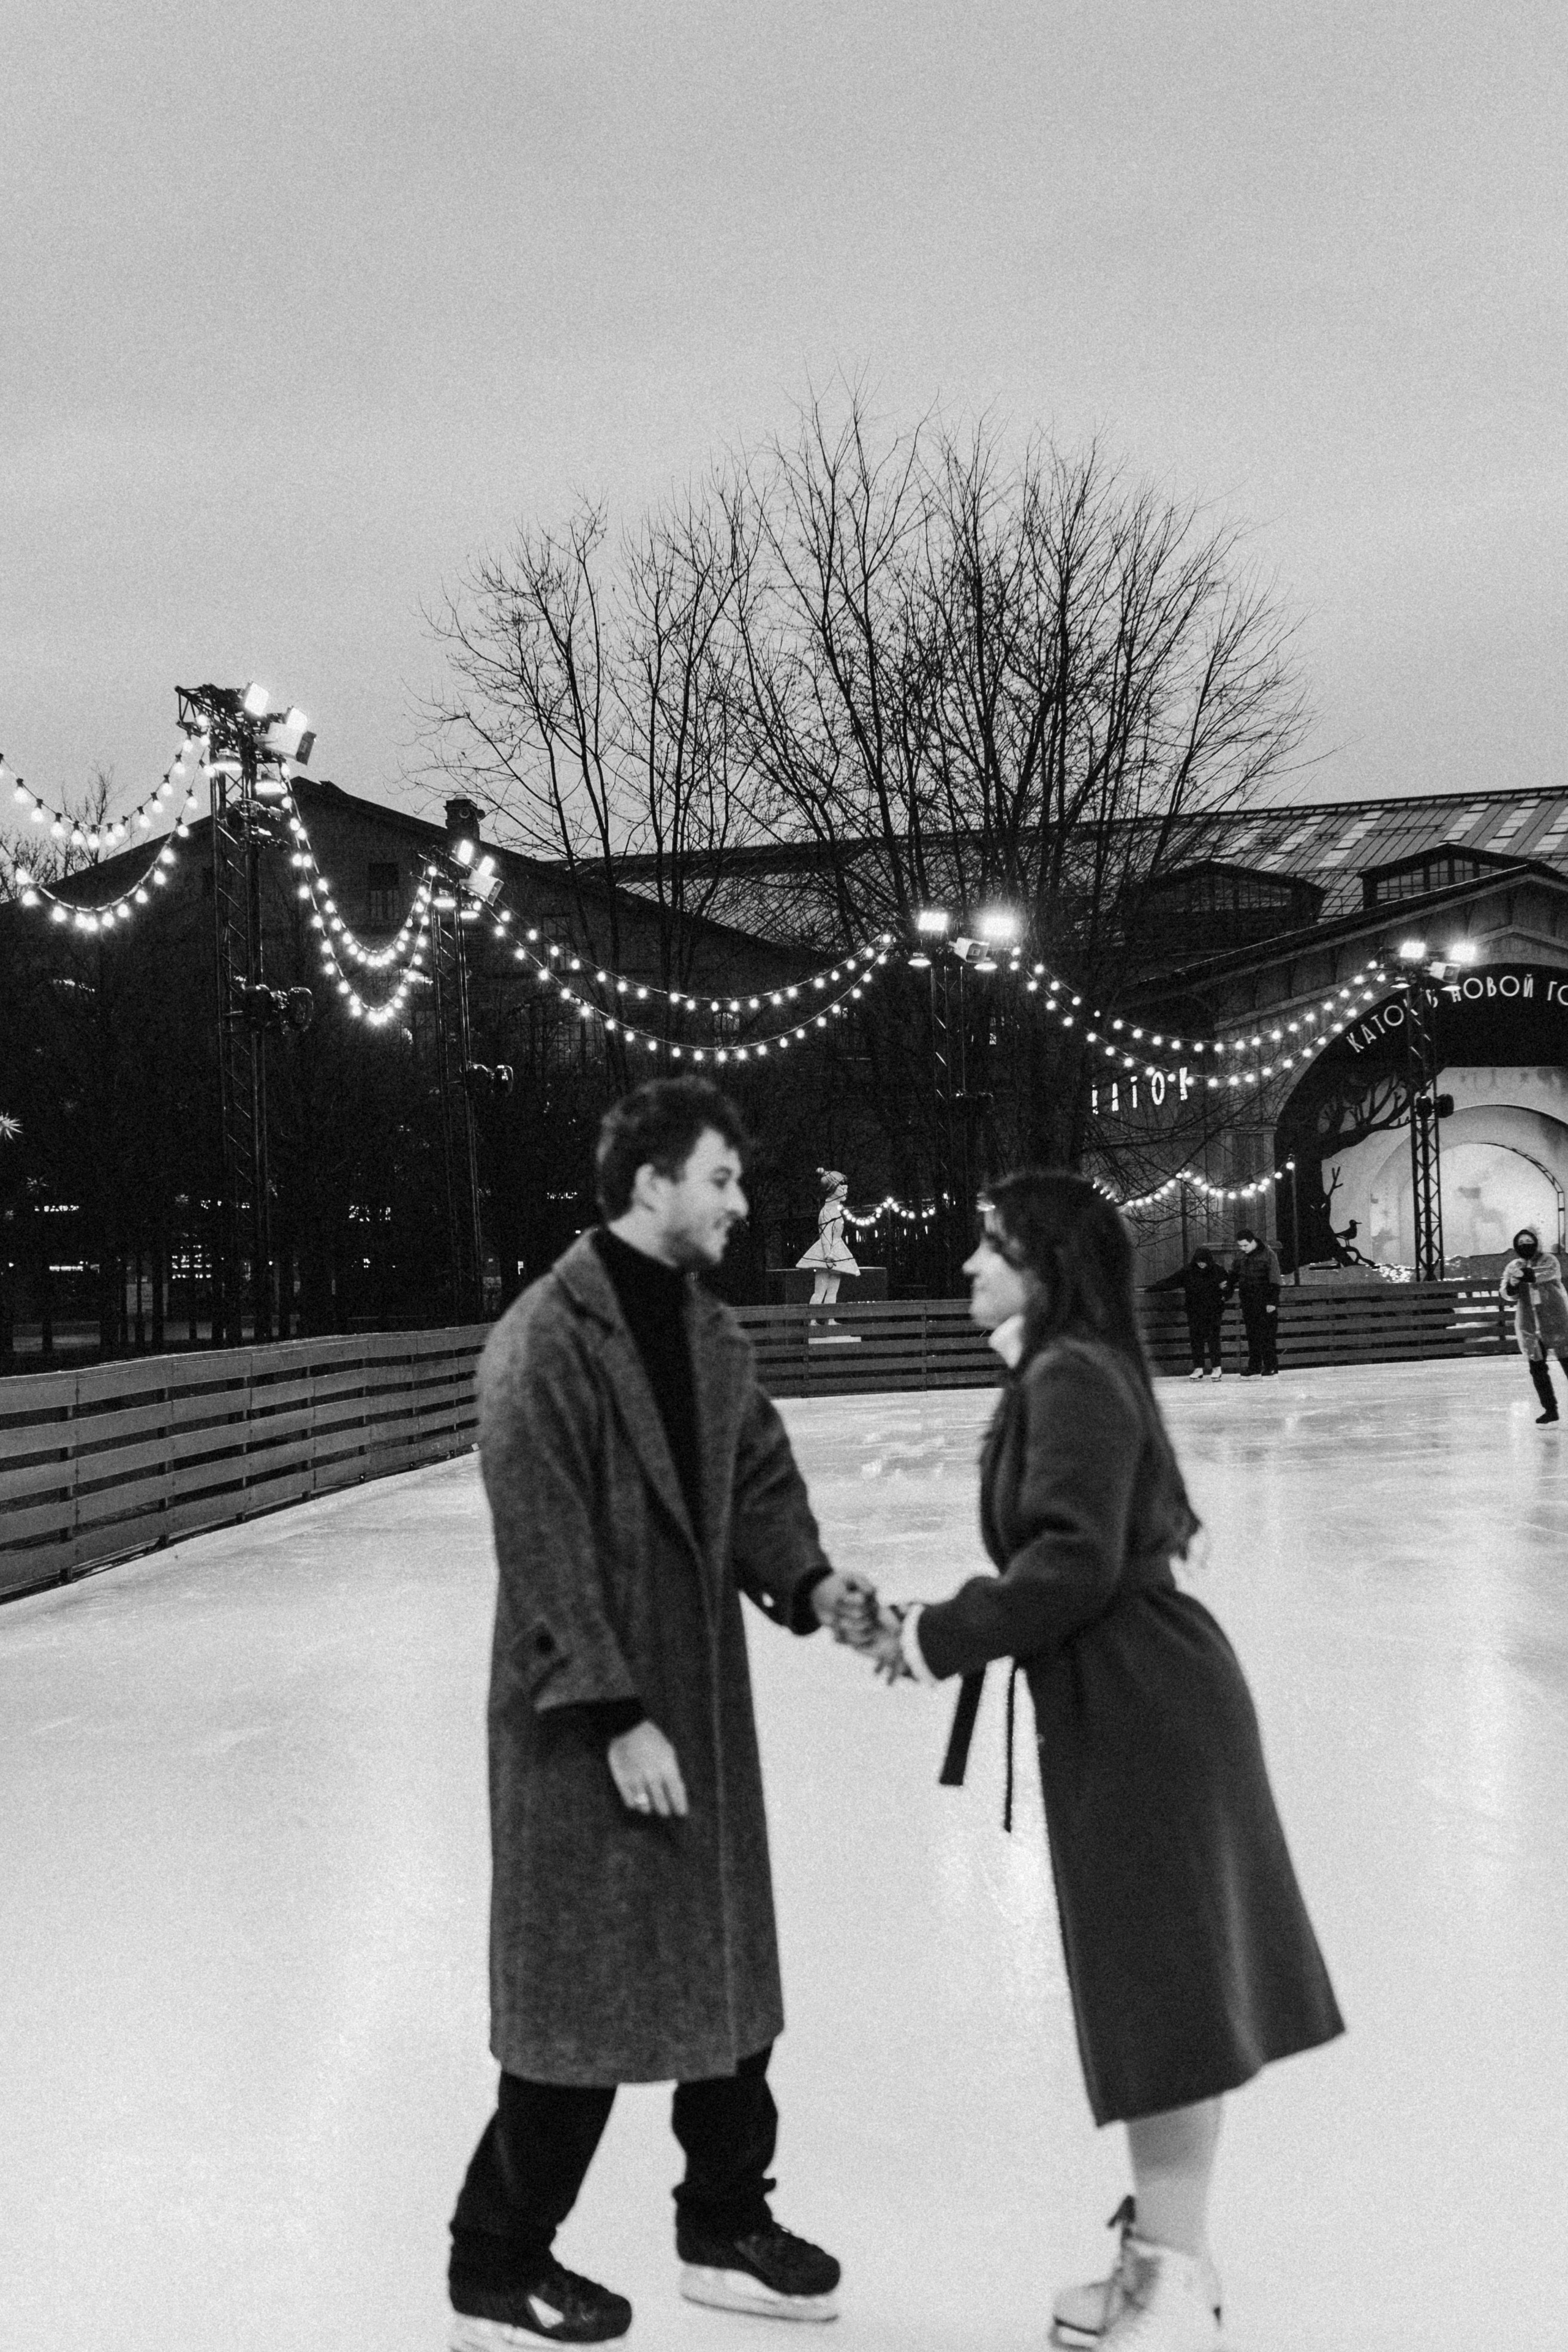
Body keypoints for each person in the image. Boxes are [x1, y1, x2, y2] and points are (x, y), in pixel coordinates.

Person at [851, 1172, 1344, 2352]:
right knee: (1158, 1987)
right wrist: (931, 1630)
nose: (969, 1266)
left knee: (1162, 1991)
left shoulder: (1070, 1375)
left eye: (989, 1246)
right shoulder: (1061, 1371)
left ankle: (1166, 2273)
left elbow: (1070, 1564)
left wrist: (931, 1636)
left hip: (1139, 1704)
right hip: (1125, 1695)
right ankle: (1171, 2249)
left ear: (1046, 1266)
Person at [448, 1077, 873, 2347]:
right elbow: (541, 1542)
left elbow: (756, 1480)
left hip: (694, 1699)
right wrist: (616, 1712)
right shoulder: (545, 1337)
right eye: (722, 1179)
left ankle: (724, 2221)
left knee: (725, 1974)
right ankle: (494, 2257)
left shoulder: (706, 1335)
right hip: (581, 1718)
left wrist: (809, 1581)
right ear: (651, 1185)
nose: (741, 1204)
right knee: (577, 2001)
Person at [1500, 1225, 1568, 1423]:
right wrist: (1512, 1285)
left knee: (1567, 1362)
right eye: (1521, 1243)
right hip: (1529, 1324)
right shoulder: (1514, 1266)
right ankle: (1550, 1409)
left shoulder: (1549, 1260)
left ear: (1536, 1243)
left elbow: (1546, 1273)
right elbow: (1507, 1293)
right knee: (1537, 1368)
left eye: (1529, 1242)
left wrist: (1524, 1275)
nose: (1525, 1245)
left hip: (1555, 1319)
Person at [794, 1167, 861, 1319]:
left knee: (833, 1291)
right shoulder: (826, 1212)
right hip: (828, 1253)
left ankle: (830, 1321)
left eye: (846, 1187)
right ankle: (812, 1322)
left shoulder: (835, 1211)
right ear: (832, 1189)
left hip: (837, 1250)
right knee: (820, 1291)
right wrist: (828, 1253)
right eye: (842, 1187)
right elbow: (825, 1234)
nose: (845, 1190)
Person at [1227, 1227, 1282, 1376]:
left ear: (1253, 1242)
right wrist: (1227, 1290)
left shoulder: (1269, 1255)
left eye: (1245, 1245)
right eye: (1240, 1246)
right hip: (1248, 1301)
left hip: (1265, 1301)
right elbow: (1233, 1276)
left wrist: (1272, 1302)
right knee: (1252, 1335)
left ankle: (1271, 1365)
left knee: (1267, 1336)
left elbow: (1275, 1279)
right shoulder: (1241, 1257)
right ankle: (1255, 1366)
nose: (1243, 1248)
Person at [1179, 1246, 1228, 1381]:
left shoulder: (1218, 1271)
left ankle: (1217, 1367)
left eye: (1204, 1261)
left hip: (1213, 1311)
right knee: (1196, 1340)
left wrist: (1224, 1296)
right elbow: (1173, 1280)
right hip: (1194, 1311)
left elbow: (1228, 1287)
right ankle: (1198, 1368)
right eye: (1199, 1261)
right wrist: (1155, 1287)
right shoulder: (1189, 1271)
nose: (1201, 1264)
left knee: (1213, 1339)